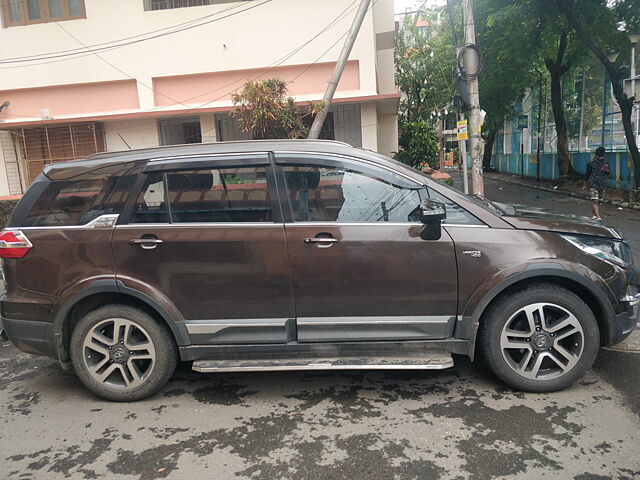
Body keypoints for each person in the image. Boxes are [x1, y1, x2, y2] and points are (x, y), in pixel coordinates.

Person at [584, 146, 610, 221]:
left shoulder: (606, 163)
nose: (600, 157)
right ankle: (598, 216)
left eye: (601, 155)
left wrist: (605, 169)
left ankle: (594, 214)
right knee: (595, 200)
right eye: (599, 155)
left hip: (602, 184)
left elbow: (609, 173)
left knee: (599, 201)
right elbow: (587, 174)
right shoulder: (590, 164)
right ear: (596, 155)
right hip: (593, 183)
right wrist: (585, 184)